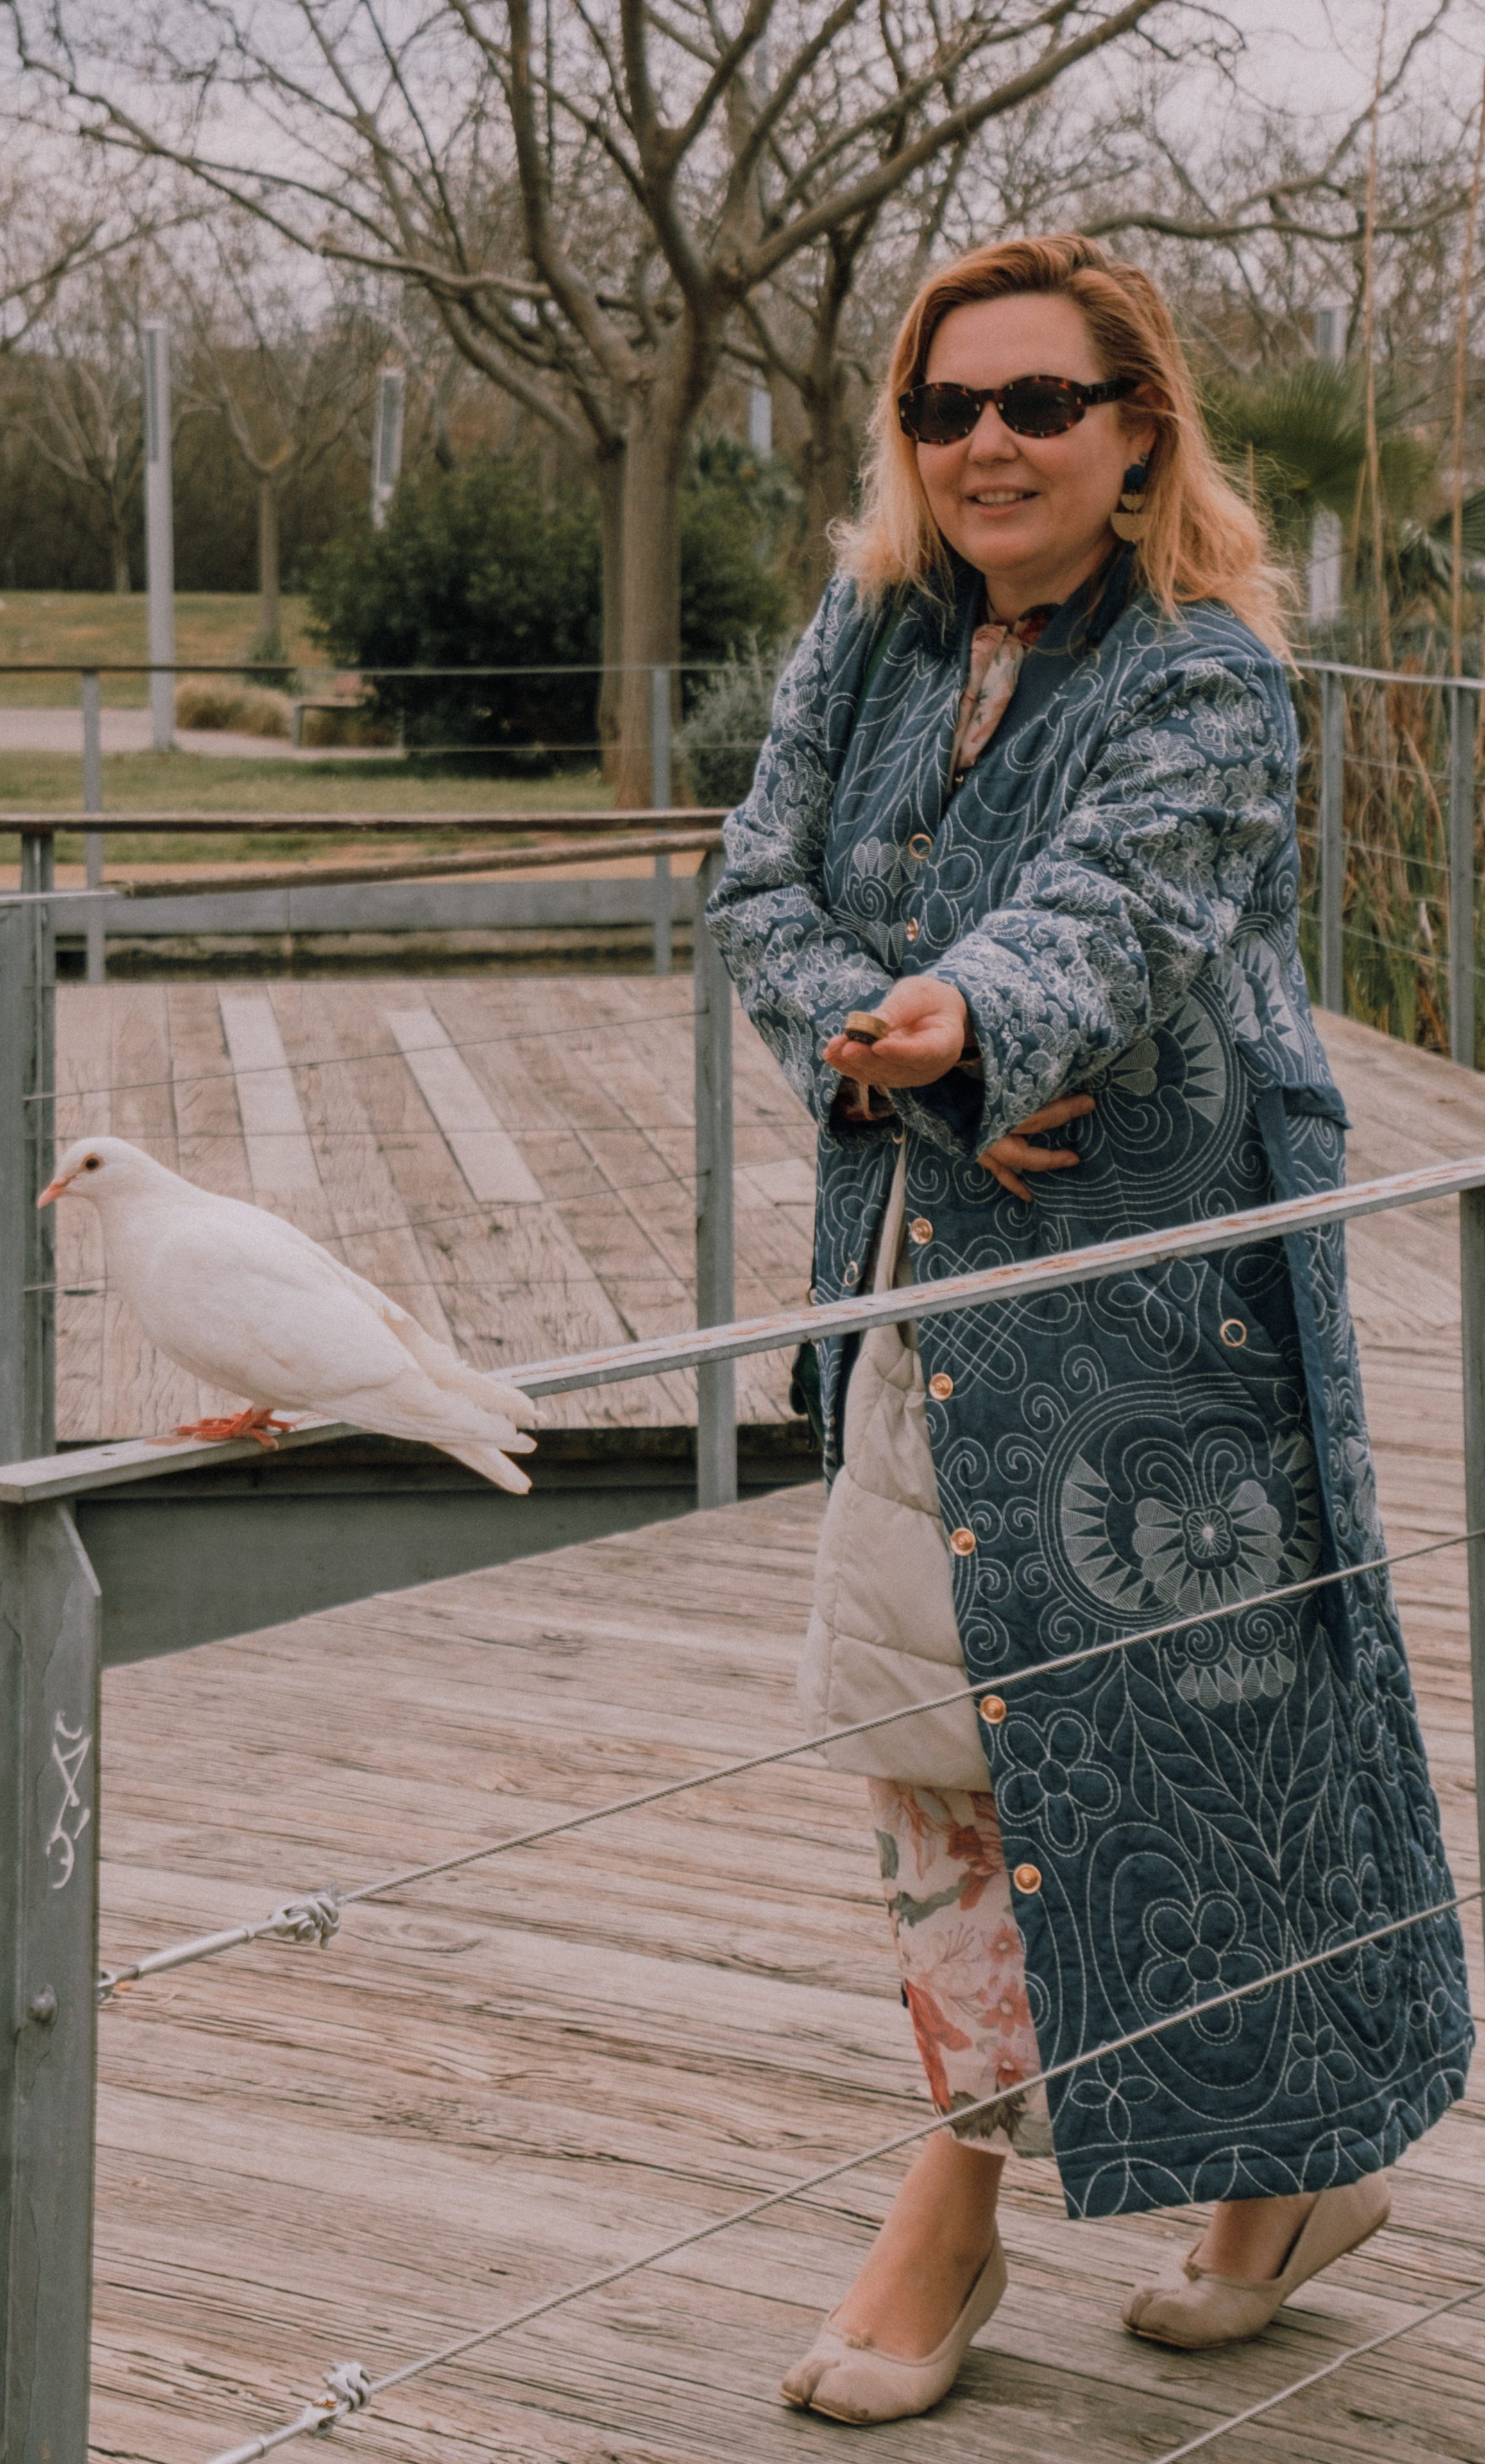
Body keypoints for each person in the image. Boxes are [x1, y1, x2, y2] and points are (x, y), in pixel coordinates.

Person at [707, 234, 1472, 2429]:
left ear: (1139, 434)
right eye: (947, 409)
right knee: (926, 1740)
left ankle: (1301, 2174)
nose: (986, 446)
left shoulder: (1206, 675)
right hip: (933, 1279)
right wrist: (885, 1052)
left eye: (1041, 404)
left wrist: (971, 1020)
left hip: (1168, 1316)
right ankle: (952, 2199)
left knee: (1227, 1740)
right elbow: (758, 880)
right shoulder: (867, 639)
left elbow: (1119, 906)